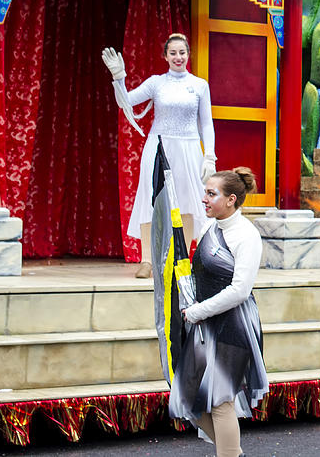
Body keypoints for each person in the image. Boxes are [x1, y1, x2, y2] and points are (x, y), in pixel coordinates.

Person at [171, 167, 269, 457]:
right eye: (206, 192)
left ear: (231, 199)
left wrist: (199, 311)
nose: (204, 199)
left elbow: (240, 290)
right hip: (203, 323)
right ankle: (234, 454)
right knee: (187, 397)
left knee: (220, 400)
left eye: (211, 194)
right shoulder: (208, 228)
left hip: (234, 325)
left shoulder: (247, 236)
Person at [102, 34, 216, 278]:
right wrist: (119, 78)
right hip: (159, 146)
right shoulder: (156, 83)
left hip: (188, 147)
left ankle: (181, 260)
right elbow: (127, 102)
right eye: (173, 53)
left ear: (188, 55)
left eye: (182, 52)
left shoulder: (199, 85)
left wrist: (210, 156)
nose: (178, 57)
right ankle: (147, 261)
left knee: (186, 202)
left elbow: (206, 124)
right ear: (165, 56)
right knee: (149, 201)